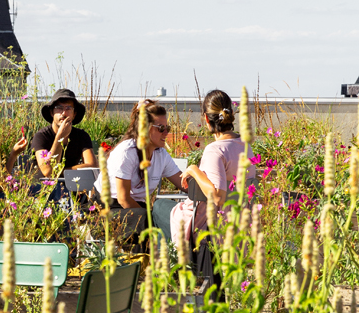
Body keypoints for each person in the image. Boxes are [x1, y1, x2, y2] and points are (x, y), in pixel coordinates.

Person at [106, 100, 183, 238]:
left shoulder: (161, 154)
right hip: (109, 209)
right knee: (146, 219)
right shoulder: (127, 152)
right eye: (160, 128)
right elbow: (123, 199)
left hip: (137, 209)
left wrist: (205, 186)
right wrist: (150, 219)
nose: (166, 133)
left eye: (168, 128)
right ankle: (146, 259)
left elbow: (183, 183)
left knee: (164, 214)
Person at [180, 89, 248, 216]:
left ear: (206, 118)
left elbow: (218, 198)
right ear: (231, 113)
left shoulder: (215, 150)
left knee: (158, 207)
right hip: (240, 221)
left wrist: (193, 169)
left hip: (211, 224)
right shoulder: (246, 147)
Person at [31, 90, 96, 177]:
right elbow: (48, 171)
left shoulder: (81, 136)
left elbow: (92, 166)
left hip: (72, 185)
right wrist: (60, 136)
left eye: (68, 108)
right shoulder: (41, 136)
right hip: (43, 188)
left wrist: (62, 172)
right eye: (59, 108)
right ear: (51, 112)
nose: (64, 113)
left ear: (74, 114)